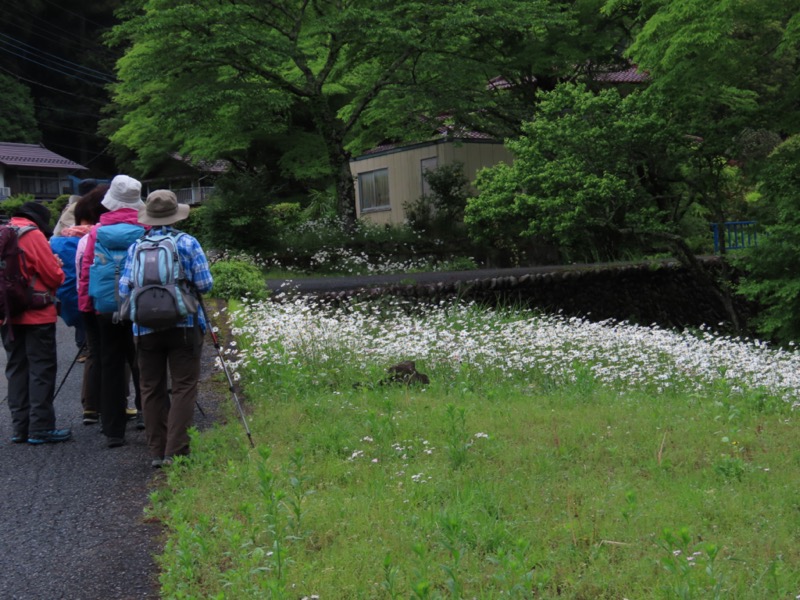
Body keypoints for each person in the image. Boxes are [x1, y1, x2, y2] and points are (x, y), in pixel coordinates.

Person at [119, 190, 213, 467]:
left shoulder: (136, 246)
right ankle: (177, 450)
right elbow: (205, 284)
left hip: (144, 327)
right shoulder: (187, 242)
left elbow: (125, 288)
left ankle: (157, 451)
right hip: (184, 324)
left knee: (150, 387)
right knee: (184, 386)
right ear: (175, 214)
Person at [79, 175, 144, 448]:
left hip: (105, 307)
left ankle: (114, 430)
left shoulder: (96, 232)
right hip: (140, 306)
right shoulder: (145, 230)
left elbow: (86, 271)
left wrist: (86, 305)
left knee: (110, 364)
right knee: (142, 362)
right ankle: (146, 416)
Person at [2, 201, 70, 444]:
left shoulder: (4, 232)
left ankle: (19, 428)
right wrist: (57, 267)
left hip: (8, 314)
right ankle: (40, 427)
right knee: (41, 368)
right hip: (37, 313)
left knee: (16, 368)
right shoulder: (33, 235)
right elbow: (54, 275)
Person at [69, 185, 109, 425]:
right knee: (120, 355)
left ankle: (91, 407)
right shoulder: (100, 235)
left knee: (94, 353)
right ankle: (119, 407)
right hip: (111, 303)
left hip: (87, 301)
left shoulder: (83, 240)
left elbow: (78, 273)